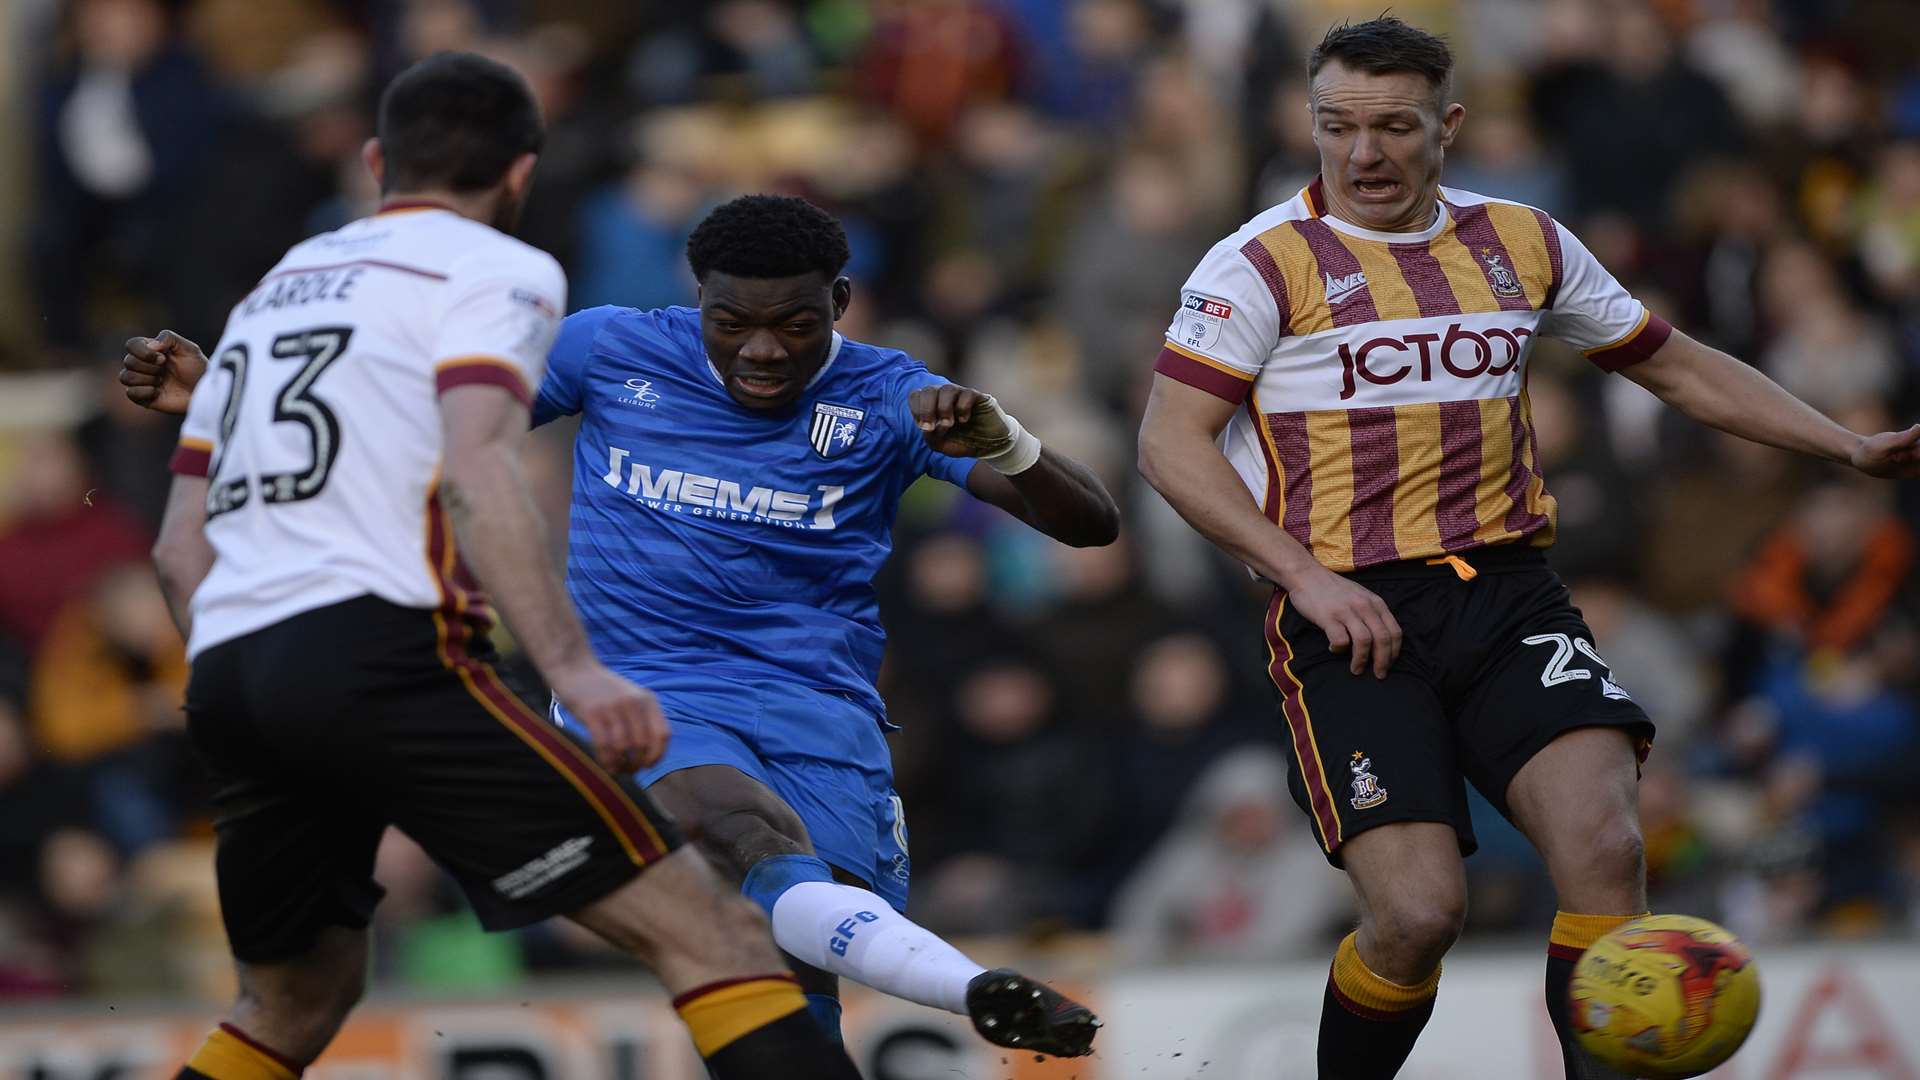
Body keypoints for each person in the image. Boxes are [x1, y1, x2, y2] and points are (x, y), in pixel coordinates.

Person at [124, 193, 1117, 1058]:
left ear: (839, 309)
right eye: (732, 322)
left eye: (795, 326)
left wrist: (1010, 441)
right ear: (698, 302)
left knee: (795, 971)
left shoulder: (891, 393)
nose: (763, 350)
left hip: (827, 713)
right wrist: (223, 397)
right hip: (647, 692)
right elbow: (416, 432)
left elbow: (1091, 525)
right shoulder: (608, 348)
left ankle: (956, 991)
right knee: (744, 838)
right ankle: (969, 988)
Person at [1134, 16, 1920, 1080]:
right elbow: (1169, 446)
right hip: (1348, 612)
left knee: (1606, 848)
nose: (1363, 154)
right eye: (1338, 126)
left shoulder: (1523, 241)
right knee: (1417, 917)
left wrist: (1846, 443)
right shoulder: (1260, 265)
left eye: (1393, 127)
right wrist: (1306, 577)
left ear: (1447, 126)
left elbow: (1673, 364)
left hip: (1508, 591)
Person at [138, 53, 860, 1080]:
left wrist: (258, 684)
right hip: (385, 656)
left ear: (378, 160)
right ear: (520, 174)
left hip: (230, 674)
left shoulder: (269, 297)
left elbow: (177, 549)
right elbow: (479, 463)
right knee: (719, 941)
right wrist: (576, 672)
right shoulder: (493, 269)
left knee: (293, 999)